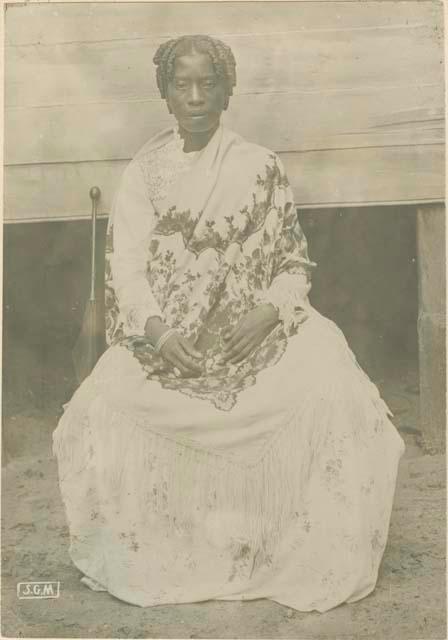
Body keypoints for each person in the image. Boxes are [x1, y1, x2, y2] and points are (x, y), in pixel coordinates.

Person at [52, 34, 405, 612]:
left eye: (207, 84)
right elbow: (128, 273)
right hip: (172, 341)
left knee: (331, 370)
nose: (195, 97)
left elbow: (293, 263)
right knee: (104, 400)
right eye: (182, 85)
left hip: (254, 334)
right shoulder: (144, 175)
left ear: (227, 91)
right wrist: (161, 334)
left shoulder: (260, 167)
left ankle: (291, 546)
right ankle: (172, 551)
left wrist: (267, 313)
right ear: (165, 95)